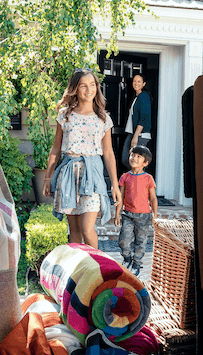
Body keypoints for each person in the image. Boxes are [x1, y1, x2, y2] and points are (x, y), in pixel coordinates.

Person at [43, 68, 122, 250]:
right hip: (69, 174)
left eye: (92, 85)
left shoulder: (103, 118)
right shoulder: (65, 115)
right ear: (75, 89)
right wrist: (48, 177)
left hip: (92, 175)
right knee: (75, 231)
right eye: (83, 86)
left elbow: (108, 153)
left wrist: (115, 185)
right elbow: (56, 148)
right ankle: (77, 271)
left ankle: (96, 268)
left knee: (88, 229)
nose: (89, 90)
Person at [114, 145, 157, 275]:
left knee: (141, 241)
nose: (134, 158)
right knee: (124, 240)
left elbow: (153, 198)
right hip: (127, 214)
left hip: (144, 216)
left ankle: (137, 264)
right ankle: (127, 258)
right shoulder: (125, 177)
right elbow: (120, 197)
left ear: (145, 163)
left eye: (138, 156)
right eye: (132, 155)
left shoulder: (148, 178)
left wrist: (154, 215)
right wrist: (117, 214)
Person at [122, 74, 152, 168]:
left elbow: (144, 118)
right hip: (133, 133)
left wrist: (135, 136)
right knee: (127, 160)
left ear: (144, 84)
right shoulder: (137, 97)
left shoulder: (144, 97)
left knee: (135, 163)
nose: (136, 83)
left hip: (140, 134)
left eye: (139, 81)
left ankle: (139, 181)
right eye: (134, 81)